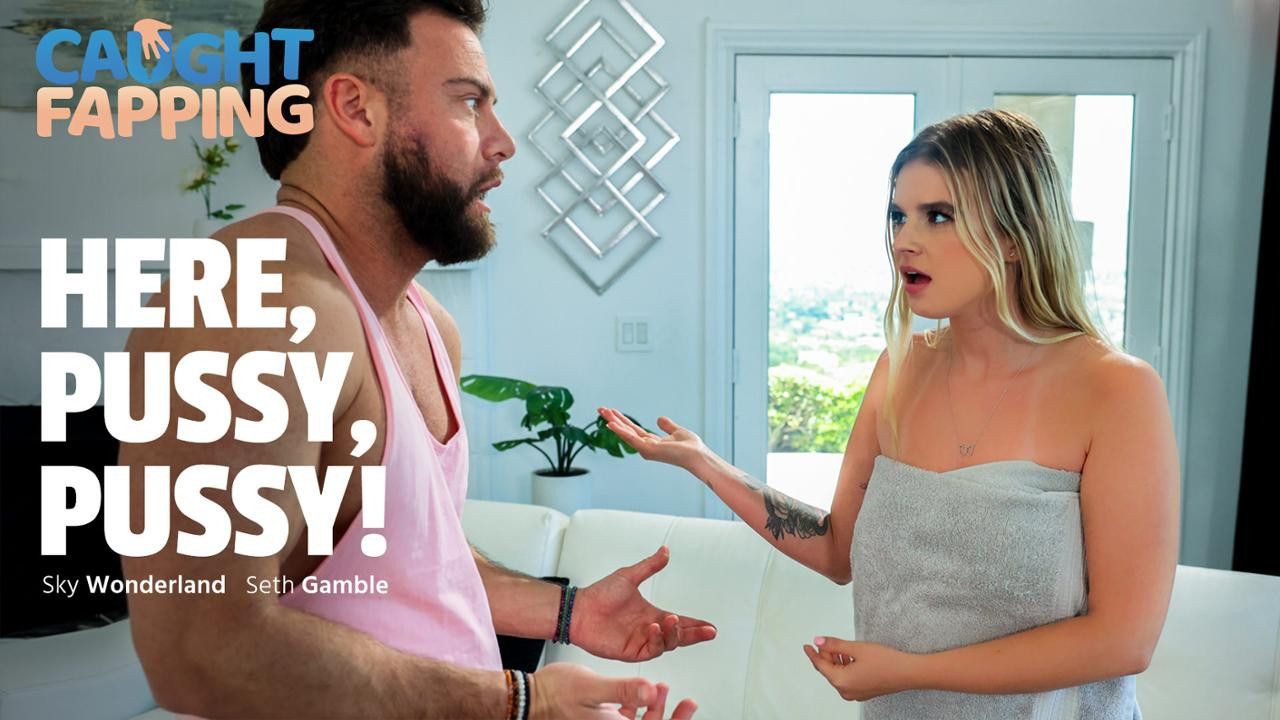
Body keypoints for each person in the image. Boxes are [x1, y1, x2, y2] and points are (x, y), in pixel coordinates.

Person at [120, 2, 711, 718]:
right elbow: (201, 649)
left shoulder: (428, 324)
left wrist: (570, 612)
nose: (503, 143)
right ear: (355, 109)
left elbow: (415, 557)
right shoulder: (253, 300)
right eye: (469, 102)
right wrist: (522, 702)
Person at [601, 109, 1179, 718]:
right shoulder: (899, 370)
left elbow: (1124, 639)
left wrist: (909, 673)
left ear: (1013, 236)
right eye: (899, 215)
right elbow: (837, 549)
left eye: (938, 216)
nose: (905, 239)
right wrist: (705, 463)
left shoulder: (1117, 390)